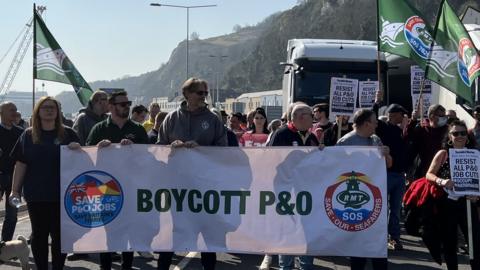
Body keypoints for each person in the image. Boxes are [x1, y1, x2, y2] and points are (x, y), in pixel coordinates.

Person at [157, 77, 227, 270]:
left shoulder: (213, 119)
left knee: (207, 234)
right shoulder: (171, 118)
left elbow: (223, 149)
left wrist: (202, 149)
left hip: (204, 187)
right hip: (176, 186)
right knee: (171, 232)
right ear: (187, 94)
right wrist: (170, 148)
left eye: (206, 93)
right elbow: (158, 148)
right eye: (200, 92)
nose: (204, 96)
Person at [10, 96, 80, 270]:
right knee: (39, 236)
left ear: (58, 112)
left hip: (64, 195)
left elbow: (85, 161)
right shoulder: (27, 135)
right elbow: (20, 163)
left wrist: (78, 150)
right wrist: (15, 190)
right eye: (45, 107)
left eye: (53, 107)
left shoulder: (69, 134)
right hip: (36, 194)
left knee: (60, 237)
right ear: (37, 112)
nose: (49, 110)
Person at [86, 90, 149, 270]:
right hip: (106, 189)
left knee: (129, 230)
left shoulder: (137, 130)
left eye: (128, 104)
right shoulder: (99, 129)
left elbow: (148, 158)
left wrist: (135, 149)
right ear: (111, 106)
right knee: (108, 231)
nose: (127, 107)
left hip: (131, 187)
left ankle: (126, 266)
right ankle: (105, 267)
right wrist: (98, 148)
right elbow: (86, 158)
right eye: (123, 104)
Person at [336, 109, 391, 270]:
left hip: (375, 198)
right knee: (358, 245)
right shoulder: (345, 142)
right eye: (375, 122)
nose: (376, 125)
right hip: (355, 199)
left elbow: (389, 164)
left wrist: (386, 155)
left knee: (377, 243)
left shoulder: (375, 139)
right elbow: (335, 169)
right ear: (366, 123)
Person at [268, 103, 318, 270]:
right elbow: (269, 160)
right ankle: (286, 266)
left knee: (308, 230)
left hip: (306, 192)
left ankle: (306, 265)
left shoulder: (312, 137)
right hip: (286, 192)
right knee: (288, 230)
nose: (314, 119)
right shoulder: (281, 134)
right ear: (301, 117)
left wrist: (323, 153)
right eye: (312, 115)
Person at [425, 120, 480, 270]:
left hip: (468, 203)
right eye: (455, 133)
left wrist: (477, 195)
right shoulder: (443, 154)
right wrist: (442, 181)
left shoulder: (475, 154)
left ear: (468, 137)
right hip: (447, 203)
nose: (460, 136)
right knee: (450, 242)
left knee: (475, 242)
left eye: (463, 133)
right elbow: (428, 174)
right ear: (449, 137)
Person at [373, 101, 409, 251]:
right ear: (395, 115)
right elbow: (373, 116)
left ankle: (394, 237)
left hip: (399, 176)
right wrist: (376, 102)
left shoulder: (401, 131)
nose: (404, 117)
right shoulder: (383, 127)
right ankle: (378, 237)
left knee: (395, 209)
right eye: (402, 114)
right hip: (386, 174)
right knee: (381, 208)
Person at [0, 102, 23, 242]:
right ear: (1, 113)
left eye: (16, 109)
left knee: (12, 214)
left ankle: (5, 245)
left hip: (16, 179)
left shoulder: (21, 132)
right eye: (11, 110)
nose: (15, 112)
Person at [406, 104, 448, 180]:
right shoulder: (421, 129)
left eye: (444, 116)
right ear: (432, 116)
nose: (444, 118)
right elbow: (408, 138)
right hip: (422, 171)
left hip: (441, 172)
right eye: (441, 116)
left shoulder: (447, 131)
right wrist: (413, 120)